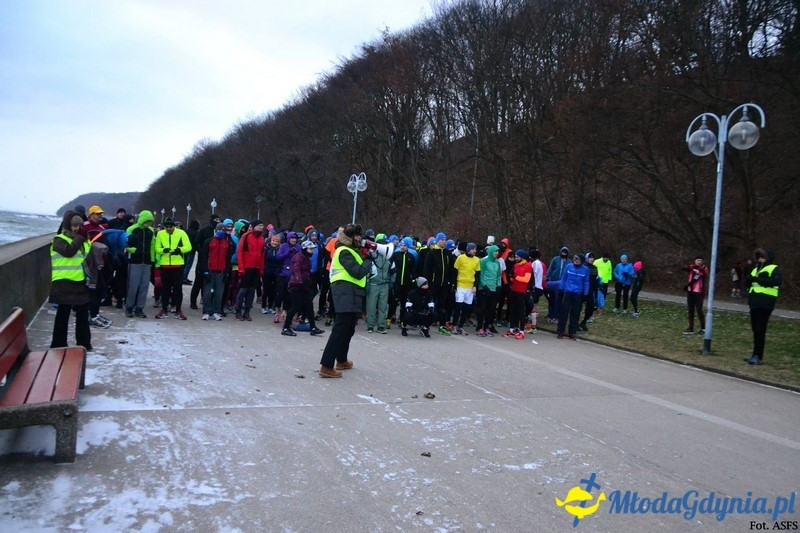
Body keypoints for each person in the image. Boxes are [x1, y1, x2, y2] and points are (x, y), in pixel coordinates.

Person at [319, 223, 374, 378]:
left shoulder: (351, 251)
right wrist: (369, 260)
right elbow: (357, 272)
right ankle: (326, 365)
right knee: (341, 328)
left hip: (352, 292)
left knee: (349, 328)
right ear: (349, 237)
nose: (359, 239)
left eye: (359, 235)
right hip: (344, 291)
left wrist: (365, 256)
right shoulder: (343, 251)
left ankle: (341, 359)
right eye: (356, 236)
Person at [49, 210, 92, 351]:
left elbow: (86, 257)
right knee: (63, 314)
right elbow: (69, 251)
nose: (77, 228)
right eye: (74, 225)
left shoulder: (83, 240)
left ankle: (84, 344)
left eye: (80, 225)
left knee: (83, 315)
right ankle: (58, 344)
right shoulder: (58, 240)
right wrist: (80, 237)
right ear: (68, 225)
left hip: (79, 281)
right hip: (62, 281)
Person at [744, 249, 782, 365]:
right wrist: (748, 279)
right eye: (759, 257)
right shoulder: (755, 269)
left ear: (767, 258)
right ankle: (755, 354)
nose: (760, 259)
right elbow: (749, 283)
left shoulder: (774, 269)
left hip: (765, 303)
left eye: (762, 257)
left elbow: (776, 282)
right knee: (755, 329)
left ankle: (758, 355)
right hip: (754, 303)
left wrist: (757, 279)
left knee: (760, 330)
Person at [282, 240, 325, 336]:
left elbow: (306, 272)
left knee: (309, 306)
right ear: (305, 249)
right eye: (310, 249)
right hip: (296, 285)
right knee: (295, 307)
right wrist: (300, 282)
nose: (312, 251)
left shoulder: (306, 258)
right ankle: (286, 327)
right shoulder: (298, 257)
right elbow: (296, 270)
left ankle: (313, 327)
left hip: (304, 284)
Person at [154, 217, 192, 320]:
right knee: (165, 288)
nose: (168, 228)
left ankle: (178, 310)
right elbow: (157, 248)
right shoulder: (160, 234)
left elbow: (188, 246)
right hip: (165, 264)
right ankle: (164, 309)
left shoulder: (181, 233)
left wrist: (179, 250)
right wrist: (163, 250)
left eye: (170, 226)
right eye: (166, 226)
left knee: (178, 288)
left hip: (178, 264)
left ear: (174, 226)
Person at [124, 210, 156, 318]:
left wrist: (152, 260)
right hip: (134, 261)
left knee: (144, 286)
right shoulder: (132, 229)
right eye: (147, 221)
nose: (149, 223)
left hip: (146, 262)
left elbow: (152, 245)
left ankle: (139, 308)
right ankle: (129, 307)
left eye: (150, 221)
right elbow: (125, 243)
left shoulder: (150, 231)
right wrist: (132, 250)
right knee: (133, 285)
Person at [201, 223, 234, 320]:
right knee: (207, 293)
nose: (221, 232)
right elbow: (204, 257)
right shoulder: (209, 241)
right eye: (220, 230)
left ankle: (216, 311)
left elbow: (228, 259)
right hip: (210, 270)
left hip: (221, 271)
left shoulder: (227, 243)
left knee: (219, 293)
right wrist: (205, 270)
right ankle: (206, 311)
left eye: (223, 231)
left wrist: (227, 271)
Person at [235, 220, 266, 321]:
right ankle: (238, 311)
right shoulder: (246, 236)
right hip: (246, 267)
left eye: (262, 225)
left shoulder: (262, 239)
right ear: (253, 227)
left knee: (252, 291)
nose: (262, 227)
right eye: (260, 225)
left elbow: (262, 255)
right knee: (243, 290)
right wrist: (241, 268)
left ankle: (247, 312)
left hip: (256, 268)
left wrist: (261, 269)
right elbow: (240, 252)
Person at [190, 214, 222, 309]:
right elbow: (196, 243)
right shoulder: (204, 231)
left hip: (213, 260)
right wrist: (202, 252)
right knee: (198, 282)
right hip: (202, 260)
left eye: (219, 220)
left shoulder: (218, 232)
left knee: (209, 281)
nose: (217, 221)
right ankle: (193, 301)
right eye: (216, 219)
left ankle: (206, 299)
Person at [557, 254, 590, 340]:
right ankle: (560, 331)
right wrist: (561, 289)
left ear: (581, 261)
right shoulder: (569, 267)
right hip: (567, 292)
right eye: (575, 259)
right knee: (564, 312)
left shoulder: (585, 270)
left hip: (578, 293)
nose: (575, 260)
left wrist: (585, 293)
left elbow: (586, 282)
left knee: (575, 314)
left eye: (577, 259)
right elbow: (564, 278)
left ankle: (572, 332)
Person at [365, 234, 393, 334]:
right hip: (373, 284)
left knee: (383, 307)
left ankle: (381, 326)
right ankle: (370, 326)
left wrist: (391, 282)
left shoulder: (389, 257)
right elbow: (367, 269)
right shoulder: (371, 255)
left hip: (384, 284)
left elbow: (393, 271)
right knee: (371, 306)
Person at [502, 249, 532, 339]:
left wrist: (515, 277)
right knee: (512, 310)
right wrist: (511, 277)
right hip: (514, 290)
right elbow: (513, 278)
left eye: (517, 257)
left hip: (522, 291)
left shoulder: (528, 266)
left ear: (522, 257)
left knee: (521, 312)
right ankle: (511, 329)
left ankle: (522, 331)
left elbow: (526, 279)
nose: (515, 258)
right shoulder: (515, 265)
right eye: (515, 257)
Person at [451, 242, 480, 335]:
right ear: (468, 249)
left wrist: (475, 285)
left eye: (475, 249)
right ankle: (454, 325)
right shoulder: (461, 258)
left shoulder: (476, 260)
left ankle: (461, 326)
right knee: (458, 307)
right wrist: (454, 285)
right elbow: (454, 272)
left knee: (466, 308)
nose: (474, 251)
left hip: (470, 287)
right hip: (460, 286)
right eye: (473, 249)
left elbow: (477, 274)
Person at [475, 244, 502, 337]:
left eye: (498, 252)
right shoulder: (484, 261)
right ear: (491, 252)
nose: (497, 253)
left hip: (494, 288)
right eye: (495, 251)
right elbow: (480, 275)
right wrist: (484, 286)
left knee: (491, 310)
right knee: (482, 308)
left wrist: (498, 286)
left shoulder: (498, 263)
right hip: (484, 288)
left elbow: (499, 276)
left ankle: (487, 327)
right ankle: (479, 327)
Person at [682, 256, 709, 335]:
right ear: (695, 261)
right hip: (691, 292)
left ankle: (703, 328)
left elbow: (703, 274)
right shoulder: (692, 267)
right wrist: (692, 269)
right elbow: (683, 268)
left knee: (699, 310)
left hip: (699, 292)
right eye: (698, 260)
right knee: (691, 310)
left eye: (700, 260)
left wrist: (688, 285)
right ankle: (691, 328)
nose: (699, 262)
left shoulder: (704, 268)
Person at [546, 246, 570, 322]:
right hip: (553, 282)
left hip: (562, 284)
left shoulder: (569, 262)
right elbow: (550, 269)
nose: (564, 254)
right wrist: (547, 277)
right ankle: (550, 314)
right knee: (551, 300)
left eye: (565, 253)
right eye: (563, 252)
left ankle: (557, 315)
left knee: (559, 300)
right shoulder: (555, 259)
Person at [578, 252, 599, 331]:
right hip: (581, 291)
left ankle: (583, 322)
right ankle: (575, 323)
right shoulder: (582, 267)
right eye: (590, 257)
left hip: (590, 291)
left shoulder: (595, 268)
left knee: (591, 307)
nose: (592, 259)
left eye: (593, 257)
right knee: (578, 308)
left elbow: (595, 280)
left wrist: (596, 290)